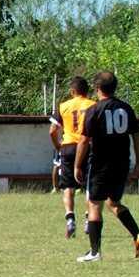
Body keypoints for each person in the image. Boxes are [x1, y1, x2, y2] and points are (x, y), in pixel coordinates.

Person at [74, 71, 139, 262]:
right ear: (115, 87)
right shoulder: (126, 108)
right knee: (112, 202)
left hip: (100, 164)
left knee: (94, 204)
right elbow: (137, 136)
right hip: (122, 164)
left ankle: (94, 253)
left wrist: (77, 166)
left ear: (97, 88)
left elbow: (84, 141)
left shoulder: (94, 110)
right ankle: (138, 235)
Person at [49, 76, 95, 239]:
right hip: (88, 146)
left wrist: (58, 146)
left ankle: (70, 219)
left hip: (68, 147)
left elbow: (52, 131)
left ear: (72, 91)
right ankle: (89, 220)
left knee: (68, 186)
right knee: (89, 185)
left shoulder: (63, 106)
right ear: (87, 91)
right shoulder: (93, 105)